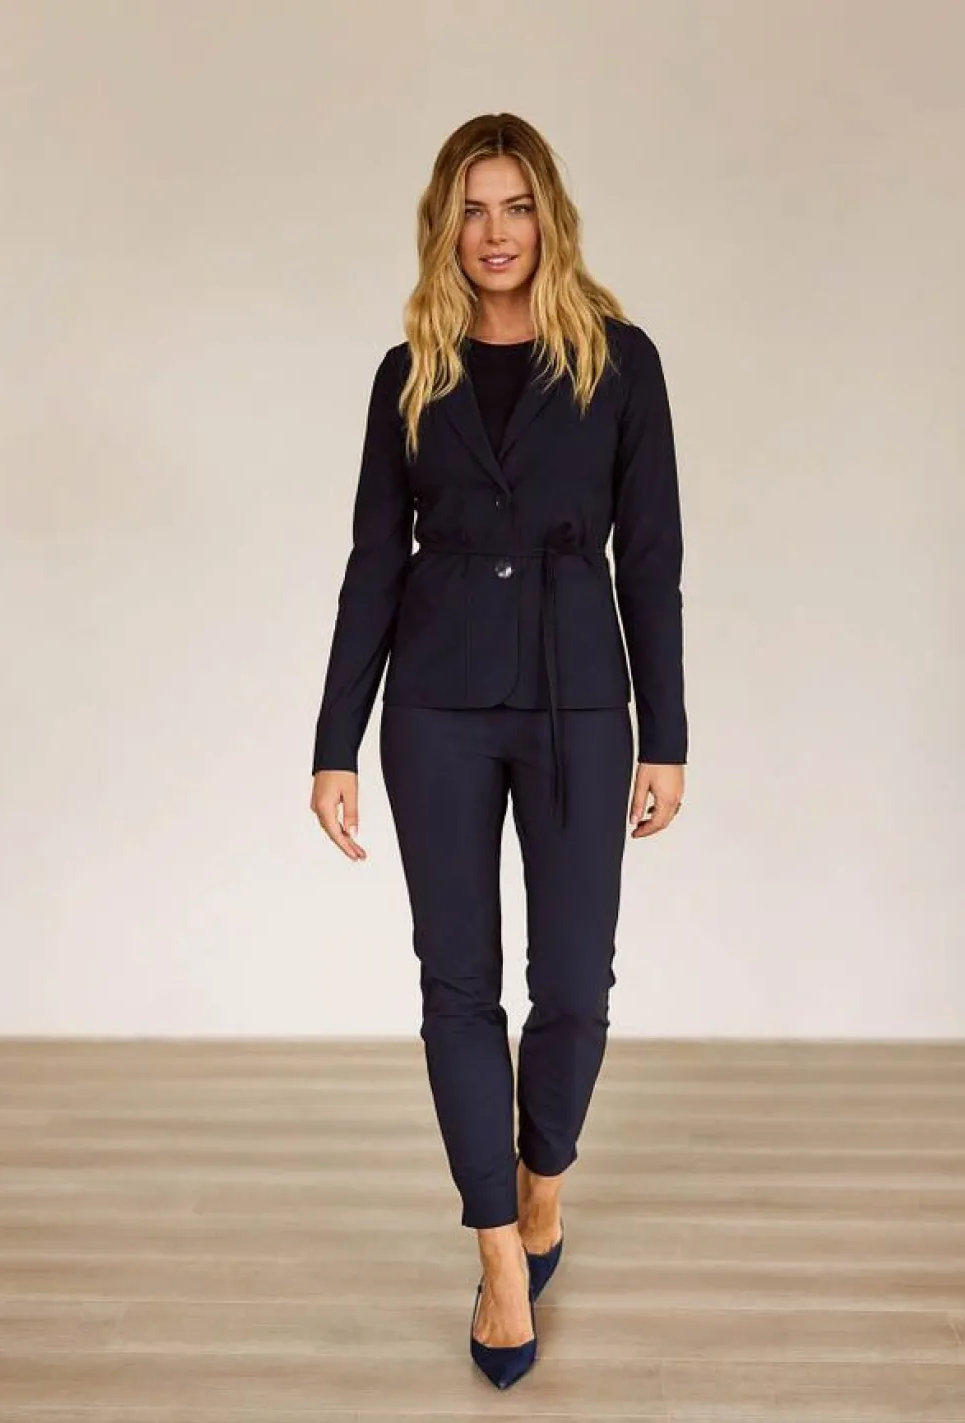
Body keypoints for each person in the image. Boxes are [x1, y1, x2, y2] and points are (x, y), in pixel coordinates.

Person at [309, 111, 688, 1390]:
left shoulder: (620, 363)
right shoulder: (408, 372)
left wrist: (667, 734)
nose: (494, 232)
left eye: (515, 205)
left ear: (549, 218)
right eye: (472, 209)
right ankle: (495, 1257)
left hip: (581, 701)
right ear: (444, 225)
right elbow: (373, 563)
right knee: (456, 985)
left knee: (573, 985)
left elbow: (653, 558)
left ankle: (542, 1181)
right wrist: (334, 741)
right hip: (437, 706)